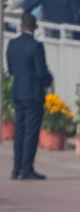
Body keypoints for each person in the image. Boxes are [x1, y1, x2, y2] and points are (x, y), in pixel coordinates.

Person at [6, 13, 52, 181]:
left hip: (18, 91)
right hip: (33, 93)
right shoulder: (36, 46)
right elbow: (41, 72)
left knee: (19, 130)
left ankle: (16, 167)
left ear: (21, 25)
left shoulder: (12, 43)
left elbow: (11, 69)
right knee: (31, 132)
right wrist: (49, 80)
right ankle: (27, 167)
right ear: (34, 27)